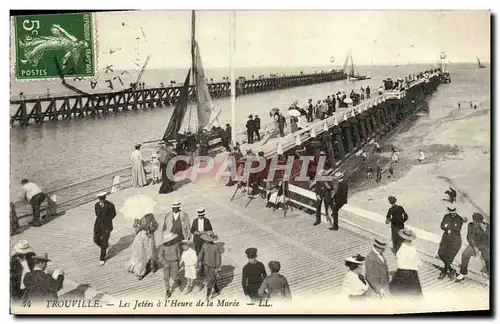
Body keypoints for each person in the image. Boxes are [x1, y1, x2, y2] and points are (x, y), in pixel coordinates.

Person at [456, 213, 490, 282]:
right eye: (474, 221)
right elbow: (469, 237)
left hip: (485, 246)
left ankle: (489, 275)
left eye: (477, 222)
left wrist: (485, 230)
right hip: (474, 245)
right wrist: (475, 247)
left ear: (481, 221)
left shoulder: (487, 226)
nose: (476, 223)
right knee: (465, 254)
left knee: (487, 258)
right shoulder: (470, 225)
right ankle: (462, 273)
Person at [389, 229, 423, 298]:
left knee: (397, 293)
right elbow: (419, 263)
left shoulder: (402, 248)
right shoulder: (413, 248)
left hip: (403, 274)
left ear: (403, 238)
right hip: (413, 275)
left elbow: (400, 264)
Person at [437, 206, 466, 280]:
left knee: (449, 256)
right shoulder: (446, 216)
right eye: (450, 212)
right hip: (446, 238)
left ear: (455, 211)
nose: (452, 213)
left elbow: (457, 229)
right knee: (440, 253)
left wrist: (448, 227)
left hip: (455, 239)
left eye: (453, 212)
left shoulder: (459, 218)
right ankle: (451, 270)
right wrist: (448, 229)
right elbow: (442, 226)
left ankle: (444, 271)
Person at [126, 214, 159, 280]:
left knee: (150, 253)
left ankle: (151, 265)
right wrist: (138, 227)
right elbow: (135, 227)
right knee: (139, 254)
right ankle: (139, 272)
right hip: (140, 237)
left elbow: (156, 225)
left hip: (149, 237)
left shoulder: (150, 216)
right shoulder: (137, 217)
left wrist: (150, 228)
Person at [197, 232, 222, 301]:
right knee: (210, 278)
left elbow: (218, 258)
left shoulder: (216, 247)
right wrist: (197, 261)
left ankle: (207, 296)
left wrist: (217, 268)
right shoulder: (204, 245)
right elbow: (201, 253)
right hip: (206, 265)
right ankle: (217, 290)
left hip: (213, 267)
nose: (206, 241)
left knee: (210, 280)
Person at [93, 192, 116, 266]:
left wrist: (107, 219)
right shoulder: (96, 205)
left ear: (105, 198)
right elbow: (96, 214)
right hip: (98, 225)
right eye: (100, 199)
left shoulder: (110, 205)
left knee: (104, 242)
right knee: (95, 240)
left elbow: (114, 214)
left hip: (107, 226)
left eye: (102, 199)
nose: (101, 200)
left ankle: (102, 258)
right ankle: (106, 246)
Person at [157, 232, 181, 298]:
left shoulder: (176, 244)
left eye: (171, 240)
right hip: (166, 262)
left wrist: (180, 261)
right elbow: (160, 256)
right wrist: (164, 262)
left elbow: (178, 253)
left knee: (174, 276)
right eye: (168, 241)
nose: (169, 242)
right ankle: (167, 291)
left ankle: (177, 280)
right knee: (166, 277)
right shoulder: (163, 246)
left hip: (174, 262)